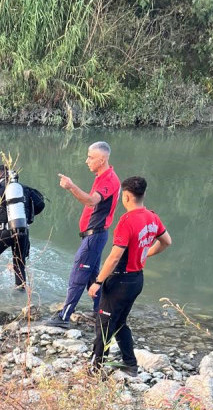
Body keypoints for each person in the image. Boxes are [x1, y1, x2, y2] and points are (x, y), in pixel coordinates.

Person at [87, 176, 172, 376]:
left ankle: (95, 370)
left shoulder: (127, 220)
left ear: (125, 196)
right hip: (136, 280)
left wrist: (98, 281)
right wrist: (146, 253)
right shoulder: (152, 217)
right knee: (120, 322)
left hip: (120, 280)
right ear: (143, 194)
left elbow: (115, 256)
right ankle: (130, 364)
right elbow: (166, 241)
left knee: (104, 325)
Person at [46, 141, 120, 328]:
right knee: (92, 277)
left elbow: (90, 201)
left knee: (78, 274)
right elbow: (90, 202)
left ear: (102, 160)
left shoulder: (109, 180)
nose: (87, 161)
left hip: (95, 236)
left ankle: (64, 316)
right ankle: (100, 312)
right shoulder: (101, 176)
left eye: (91, 157)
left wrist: (71, 186)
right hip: (94, 235)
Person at [0, 164, 45, 290]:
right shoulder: (25, 189)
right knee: (19, 263)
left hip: (2, 232)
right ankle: (21, 293)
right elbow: (41, 204)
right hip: (22, 230)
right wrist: (27, 213)